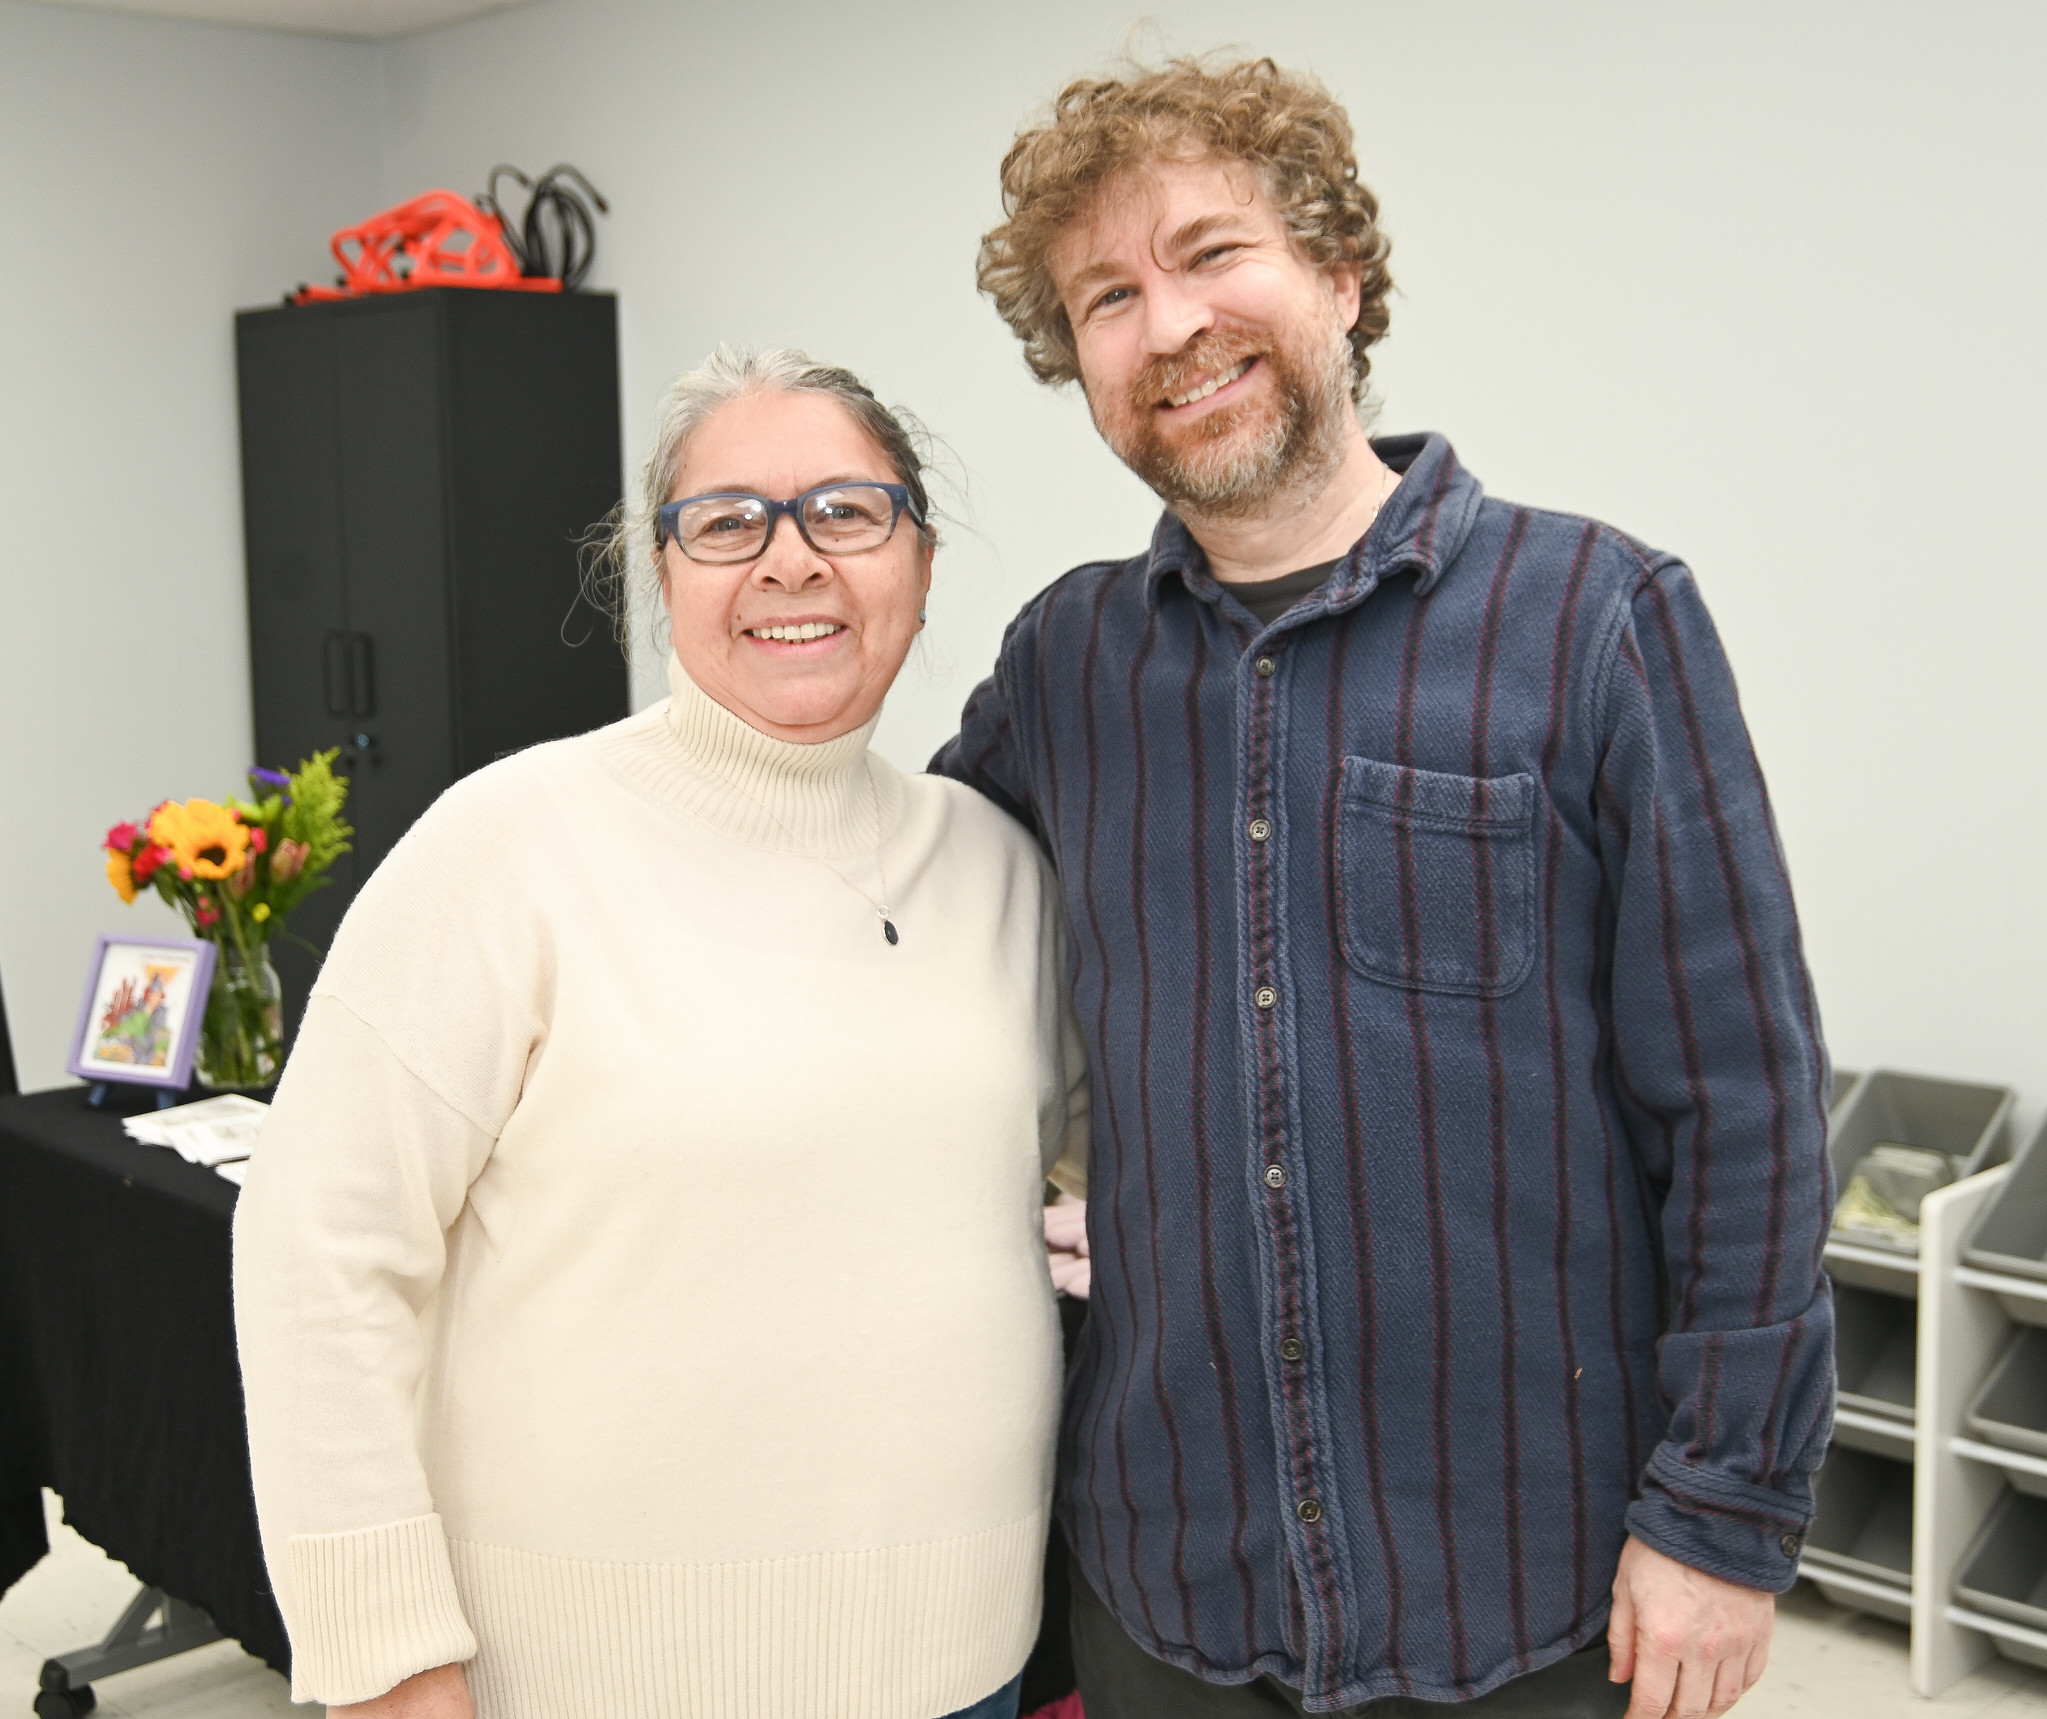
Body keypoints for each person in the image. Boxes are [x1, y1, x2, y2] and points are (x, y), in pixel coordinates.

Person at [933, 55, 1834, 1719]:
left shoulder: (1600, 621)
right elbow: (903, 933)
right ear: (1083, 368)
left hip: (1526, 1595)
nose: (1170, 324)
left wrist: (1724, 1518)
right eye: (1107, 296)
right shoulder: (1067, 667)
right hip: (1165, 1585)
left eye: (1214, 253)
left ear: (1341, 275)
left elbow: (1745, 1110)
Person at [234, 348, 1088, 1719]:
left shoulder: (996, 866)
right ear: (659, 574)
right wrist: (386, 1653)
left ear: (920, 566)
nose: (790, 561)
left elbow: (1118, 1154)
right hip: (598, 1678)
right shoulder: (504, 849)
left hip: (962, 1668)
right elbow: (316, 1257)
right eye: (728, 521)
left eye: (848, 513)